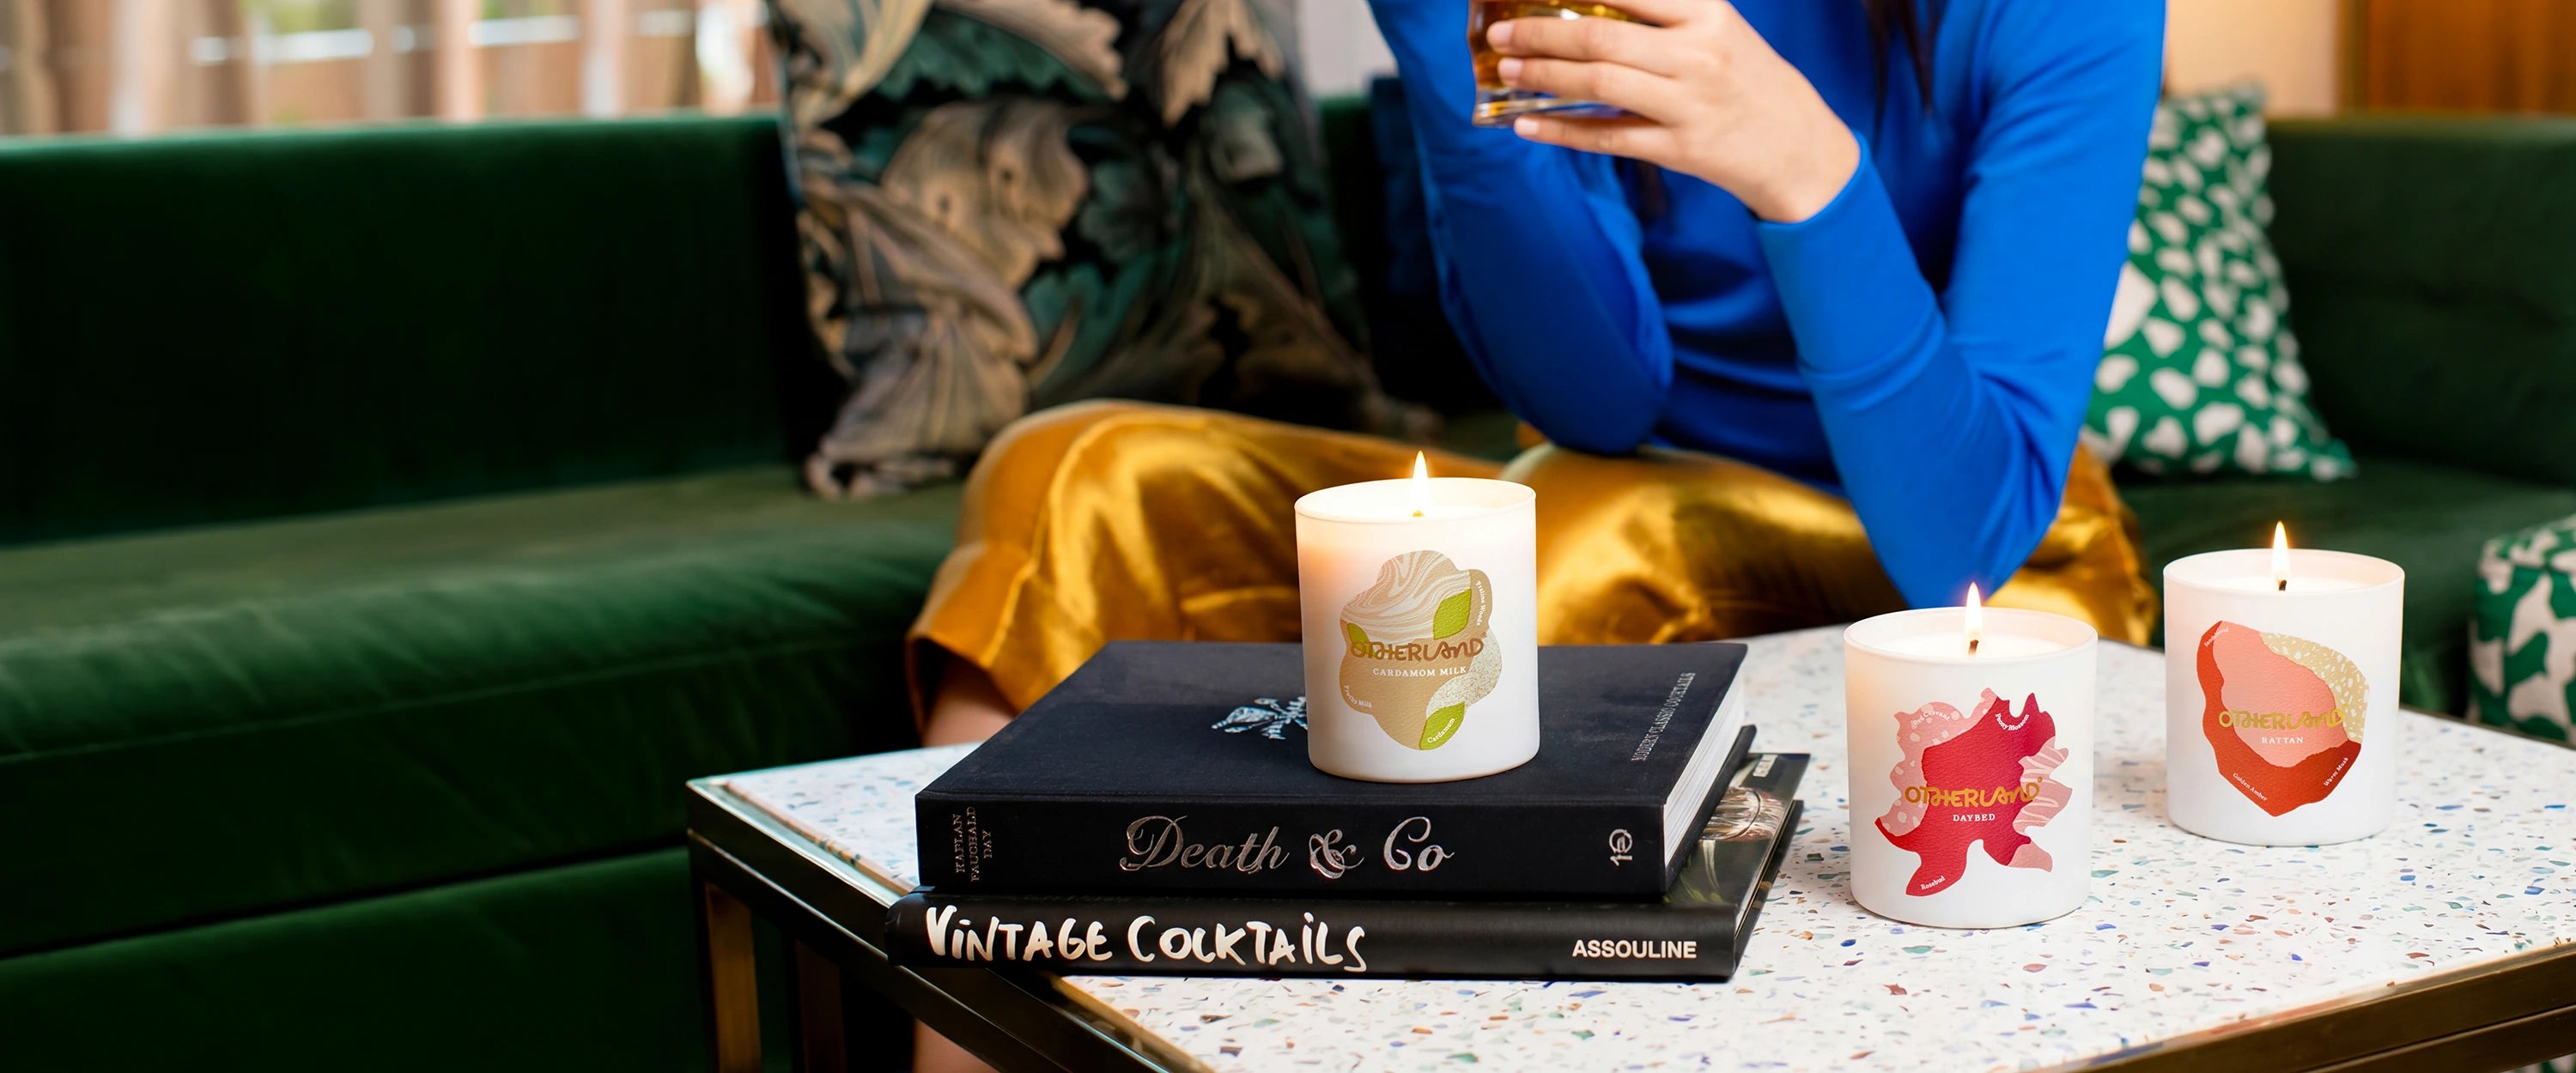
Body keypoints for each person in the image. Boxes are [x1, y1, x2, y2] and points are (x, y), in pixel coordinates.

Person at [912, 0, 2161, 1056]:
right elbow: (1597, 399)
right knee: (1074, 474)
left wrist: (1806, 170)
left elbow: (1965, 528)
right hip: (1627, 496)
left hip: (1974, 587)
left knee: (1565, 520)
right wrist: (1448, 50)